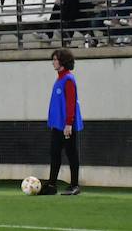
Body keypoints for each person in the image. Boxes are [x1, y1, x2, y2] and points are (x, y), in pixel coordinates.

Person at [45, 48, 82, 195]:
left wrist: (69, 123)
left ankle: (74, 185)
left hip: (66, 125)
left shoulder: (68, 79)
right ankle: (52, 185)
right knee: (54, 152)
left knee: (71, 153)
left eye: (55, 59)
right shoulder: (59, 78)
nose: (53, 62)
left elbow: (71, 103)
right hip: (57, 125)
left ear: (63, 61)